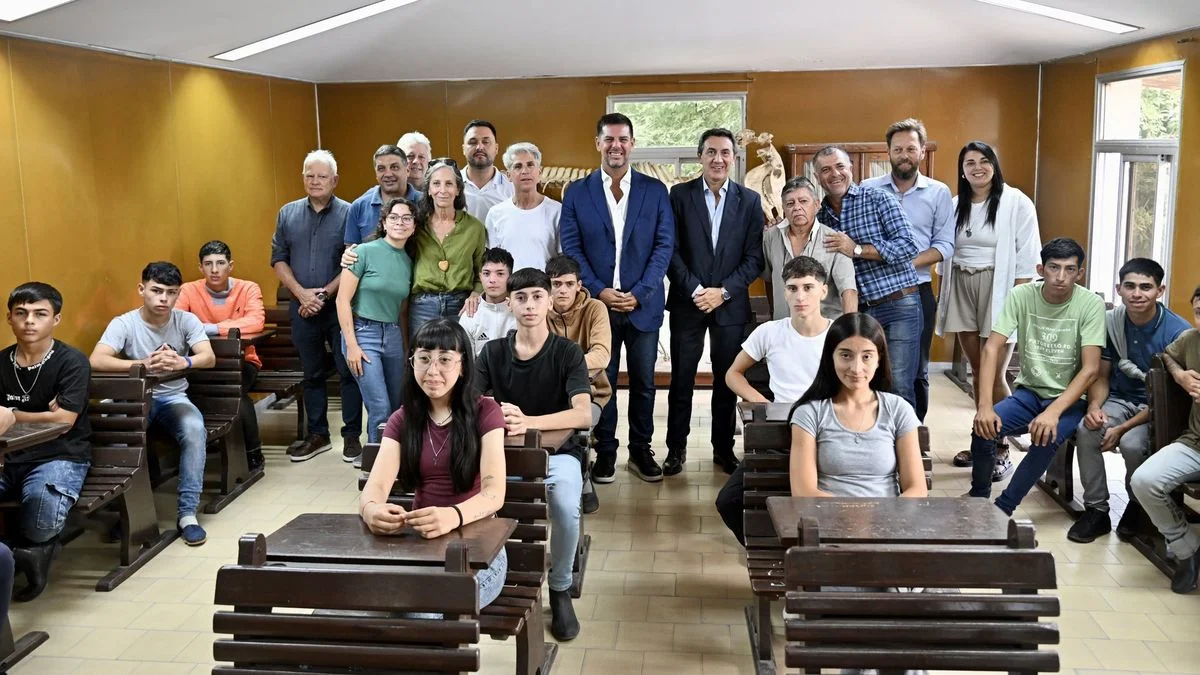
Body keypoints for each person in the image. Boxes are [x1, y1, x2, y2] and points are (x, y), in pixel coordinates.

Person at [475, 267, 593, 641]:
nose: (529, 305)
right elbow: (470, 404)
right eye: (521, 298)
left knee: (565, 505)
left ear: (549, 302)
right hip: (501, 455)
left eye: (537, 297)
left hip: (558, 455)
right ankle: (492, 573)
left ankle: (559, 587)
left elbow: (583, 414)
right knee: (475, 498)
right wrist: (498, 415)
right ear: (509, 304)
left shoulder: (568, 353)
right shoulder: (492, 352)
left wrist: (529, 422)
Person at [359, 319, 509, 608]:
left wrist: (453, 516)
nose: (432, 371)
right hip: (422, 545)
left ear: (462, 365)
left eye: (445, 360)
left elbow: (494, 493)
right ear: (412, 363)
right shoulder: (402, 419)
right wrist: (371, 510)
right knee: (375, 603)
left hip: (481, 549)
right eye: (424, 359)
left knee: (423, 610)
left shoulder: (486, 411)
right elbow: (375, 487)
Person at [560, 112, 675, 484]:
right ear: (598, 143)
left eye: (623, 139)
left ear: (632, 144)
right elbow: (572, 248)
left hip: (644, 305)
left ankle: (640, 450)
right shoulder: (576, 193)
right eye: (609, 139)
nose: (616, 146)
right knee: (601, 380)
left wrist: (639, 293)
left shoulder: (655, 191)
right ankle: (605, 451)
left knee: (644, 382)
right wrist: (599, 291)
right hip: (597, 307)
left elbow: (664, 246)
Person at [968, 238, 1105, 515]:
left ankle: (1002, 510)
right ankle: (978, 499)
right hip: (1029, 393)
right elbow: (992, 347)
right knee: (983, 429)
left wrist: (1053, 412)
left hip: (1070, 400)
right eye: (1054, 267)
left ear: (1080, 273)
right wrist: (984, 406)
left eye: (1069, 269)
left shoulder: (1091, 304)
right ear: (1040, 269)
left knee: (1045, 437)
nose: (1061, 277)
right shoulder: (1022, 295)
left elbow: (1091, 369)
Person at [90, 262, 217, 546]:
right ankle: (130, 514)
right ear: (142, 289)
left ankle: (187, 514)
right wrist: (142, 365)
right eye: (156, 291)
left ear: (178, 294)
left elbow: (208, 357)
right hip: (135, 400)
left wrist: (184, 361)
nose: (164, 299)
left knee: (195, 430)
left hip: (173, 398)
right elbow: (96, 359)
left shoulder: (186, 321)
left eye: (171, 293)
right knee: (117, 438)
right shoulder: (124, 323)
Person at [936, 140, 1042, 478]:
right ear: (962, 170)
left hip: (1000, 289)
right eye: (970, 162)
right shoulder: (956, 204)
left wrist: (1016, 304)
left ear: (994, 165)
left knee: (993, 374)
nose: (977, 167)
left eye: (984, 161)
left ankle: (1000, 446)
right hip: (961, 284)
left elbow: (1027, 258)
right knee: (978, 369)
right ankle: (982, 439)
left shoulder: (1016, 202)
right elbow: (943, 249)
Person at [665, 128, 765, 476]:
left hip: (729, 305)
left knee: (726, 380)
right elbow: (670, 250)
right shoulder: (679, 196)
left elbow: (754, 259)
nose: (718, 159)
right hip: (687, 302)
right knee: (681, 380)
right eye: (711, 152)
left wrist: (722, 292)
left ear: (734, 158)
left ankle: (723, 449)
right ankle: (675, 449)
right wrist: (696, 289)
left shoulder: (749, 201)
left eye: (725, 153)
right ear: (700, 156)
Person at [1069, 258, 1189, 543]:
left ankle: (1137, 506)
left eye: (1145, 287)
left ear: (1160, 291)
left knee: (1132, 444)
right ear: (1118, 289)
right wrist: (1094, 407)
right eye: (1130, 286)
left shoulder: (1177, 331)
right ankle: (1096, 510)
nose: (1137, 294)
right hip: (1120, 399)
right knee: (1087, 429)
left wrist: (1122, 429)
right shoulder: (1112, 322)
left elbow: (1171, 398)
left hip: (1158, 408)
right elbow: (1102, 375)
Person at [717, 256, 832, 543]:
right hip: (781, 434)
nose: (800, 296)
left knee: (813, 502)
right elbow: (733, 374)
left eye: (808, 287)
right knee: (728, 501)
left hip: (827, 435)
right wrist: (763, 404)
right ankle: (770, 551)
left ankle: (812, 552)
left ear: (823, 291)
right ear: (784, 292)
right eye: (792, 288)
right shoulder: (770, 332)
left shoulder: (839, 334)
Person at [270, 149, 365, 463]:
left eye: (322, 176)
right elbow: (278, 259)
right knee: (311, 374)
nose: (315, 181)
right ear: (303, 178)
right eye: (309, 175)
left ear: (334, 180)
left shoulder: (350, 213)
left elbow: (354, 261)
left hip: (339, 307)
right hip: (302, 309)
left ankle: (351, 436)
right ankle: (318, 434)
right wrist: (302, 294)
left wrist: (323, 295)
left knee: (348, 371)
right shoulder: (287, 213)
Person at [0, 283, 91, 600]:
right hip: (7, 456)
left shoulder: (72, 362)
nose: (29, 321)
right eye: (21, 313)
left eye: (40, 314)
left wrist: (12, 415)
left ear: (56, 319)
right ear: (9, 318)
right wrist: (42, 414)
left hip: (59, 455)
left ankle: (31, 550)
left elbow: (64, 421)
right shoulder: (1, 362)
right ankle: (14, 552)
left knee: (41, 519)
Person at [813, 146, 922, 409]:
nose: (834, 174)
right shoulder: (820, 215)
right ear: (817, 177)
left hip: (898, 305)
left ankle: (908, 437)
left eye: (840, 166)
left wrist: (858, 250)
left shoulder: (878, 199)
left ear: (851, 168)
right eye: (825, 170)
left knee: (899, 384)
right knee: (865, 384)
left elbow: (909, 246)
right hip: (858, 311)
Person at [862, 119, 955, 422]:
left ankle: (914, 433)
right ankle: (875, 430)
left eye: (911, 149)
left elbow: (944, 245)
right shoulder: (868, 189)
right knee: (871, 368)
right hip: (873, 293)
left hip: (917, 289)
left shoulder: (938, 192)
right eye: (898, 149)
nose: (904, 155)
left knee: (916, 370)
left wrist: (901, 262)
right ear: (888, 152)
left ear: (922, 151)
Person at [788, 312, 928, 499]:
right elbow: (803, 492)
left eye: (867, 356)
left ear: (879, 359)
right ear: (831, 357)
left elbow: (916, 488)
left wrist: (882, 515)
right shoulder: (809, 413)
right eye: (846, 355)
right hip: (826, 515)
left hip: (889, 516)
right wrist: (856, 514)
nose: (856, 368)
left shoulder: (898, 409)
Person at [176, 240, 267, 471]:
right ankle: (205, 445)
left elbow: (256, 322)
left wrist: (211, 328)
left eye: (220, 263)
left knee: (235, 392)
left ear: (230, 265)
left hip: (242, 361)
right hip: (201, 363)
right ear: (200, 267)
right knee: (184, 391)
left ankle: (253, 452)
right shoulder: (188, 290)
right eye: (208, 264)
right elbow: (177, 321)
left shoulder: (248, 288)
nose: (214, 270)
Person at [337, 198, 416, 461]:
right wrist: (352, 345)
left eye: (407, 218)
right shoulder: (362, 252)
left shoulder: (408, 262)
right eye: (394, 217)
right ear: (383, 222)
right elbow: (342, 301)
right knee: (379, 406)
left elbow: (402, 310)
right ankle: (375, 467)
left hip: (392, 335)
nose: (400, 223)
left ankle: (390, 460)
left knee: (396, 405)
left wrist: (405, 346)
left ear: (414, 226)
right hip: (362, 333)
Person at [1134, 289, 1200, 594]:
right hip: (1194, 443)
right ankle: (1186, 547)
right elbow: (1166, 356)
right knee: (1144, 480)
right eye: (1198, 312)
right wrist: (1180, 374)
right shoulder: (1191, 339)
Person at [547, 254, 613, 515]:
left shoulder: (596, 308)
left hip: (593, 392)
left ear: (579, 285)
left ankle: (581, 478)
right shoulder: (539, 309)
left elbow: (601, 355)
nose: (562, 290)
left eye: (568, 284)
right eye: (556, 284)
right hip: (549, 393)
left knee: (576, 429)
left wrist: (560, 368)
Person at [409, 159, 488, 335]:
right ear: (428, 190)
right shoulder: (416, 225)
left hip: (461, 305)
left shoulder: (474, 228)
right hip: (422, 305)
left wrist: (476, 294)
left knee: (459, 351)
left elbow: (482, 270)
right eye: (436, 184)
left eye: (449, 184)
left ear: (458, 189)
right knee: (422, 351)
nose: (443, 190)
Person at [762, 176, 857, 321]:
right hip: (784, 327)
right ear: (784, 208)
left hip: (824, 329)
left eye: (803, 201)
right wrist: (773, 317)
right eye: (790, 203)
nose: (797, 207)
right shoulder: (771, 236)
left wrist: (850, 328)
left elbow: (848, 290)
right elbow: (768, 279)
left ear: (817, 205)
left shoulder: (835, 239)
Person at [485, 142, 562, 271]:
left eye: (530, 165)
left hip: (544, 283)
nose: (525, 171)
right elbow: (493, 261)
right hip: (509, 283)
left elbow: (562, 258)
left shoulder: (557, 211)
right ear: (508, 175)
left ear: (539, 172)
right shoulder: (495, 213)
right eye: (518, 166)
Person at [344, 144, 422, 246]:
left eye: (394, 167)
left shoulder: (426, 203)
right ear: (376, 174)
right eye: (381, 169)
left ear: (407, 170)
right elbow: (351, 250)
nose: (388, 174)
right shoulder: (358, 207)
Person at [459, 248, 518, 354]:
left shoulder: (521, 312)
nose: (492, 280)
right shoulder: (470, 315)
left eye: (500, 274)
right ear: (480, 277)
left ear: (511, 277)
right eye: (486, 273)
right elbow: (468, 361)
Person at [461, 120, 515, 223]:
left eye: (486, 142)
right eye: (473, 142)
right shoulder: (449, 184)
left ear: (496, 148)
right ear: (463, 149)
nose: (479, 147)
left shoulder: (512, 188)